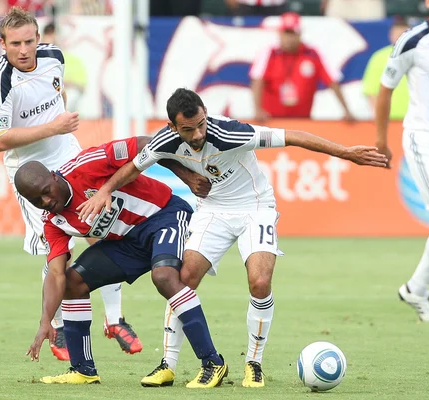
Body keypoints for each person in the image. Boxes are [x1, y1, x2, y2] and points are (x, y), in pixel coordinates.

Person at [77, 88, 388, 388]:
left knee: (260, 282)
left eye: (201, 124)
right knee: (181, 279)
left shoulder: (230, 133)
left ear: (206, 115)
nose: (197, 134)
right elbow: (134, 166)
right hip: (213, 210)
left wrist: (346, 153)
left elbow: (292, 136)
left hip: (255, 207)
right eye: (188, 130)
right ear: (173, 126)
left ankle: (253, 363)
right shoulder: (164, 139)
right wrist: (105, 190)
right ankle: (168, 364)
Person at [0, 6, 142, 361]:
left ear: (39, 39)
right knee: (58, 251)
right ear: (2, 43)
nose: (24, 50)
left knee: (103, 228)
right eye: (15, 44)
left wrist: (60, 126)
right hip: (30, 172)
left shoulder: (53, 57)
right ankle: (56, 328)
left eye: (29, 42)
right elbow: (0, 140)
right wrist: (52, 127)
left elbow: (57, 97)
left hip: (69, 157)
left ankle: (115, 319)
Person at [19, 136, 228, 388]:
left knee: (164, 277)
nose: (46, 202)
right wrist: (45, 322)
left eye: (45, 192)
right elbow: (55, 274)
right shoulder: (53, 220)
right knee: (72, 283)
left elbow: (148, 144)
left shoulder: (87, 165)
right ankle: (83, 369)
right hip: (128, 242)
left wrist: (184, 174)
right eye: (36, 201)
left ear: (53, 176)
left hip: (164, 215)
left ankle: (212, 362)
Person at [375, 0, 429, 323]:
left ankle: (416, 288)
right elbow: (385, 90)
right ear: (428, 2)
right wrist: (381, 141)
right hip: (425, 139)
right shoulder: (412, 41)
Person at [249, 12, 354, 121]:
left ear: (300, 34)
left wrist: (346, 110)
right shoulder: (270, 53)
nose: (289, 38)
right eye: (286, 33)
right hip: (272, 121)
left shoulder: (312, 54)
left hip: (302, 121)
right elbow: (257, 81)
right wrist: (257, 110)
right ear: (280, 33)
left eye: (293, 33)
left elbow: (333, 81)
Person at [362, 16, 410, 120]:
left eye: (403, 34)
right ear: (390, 35)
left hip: (416, 119)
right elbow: (370, 90)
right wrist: (379, 116)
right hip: (389, 118)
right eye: (396, 34)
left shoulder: (419, 55)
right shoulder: (378, 57)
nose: (399, 38)